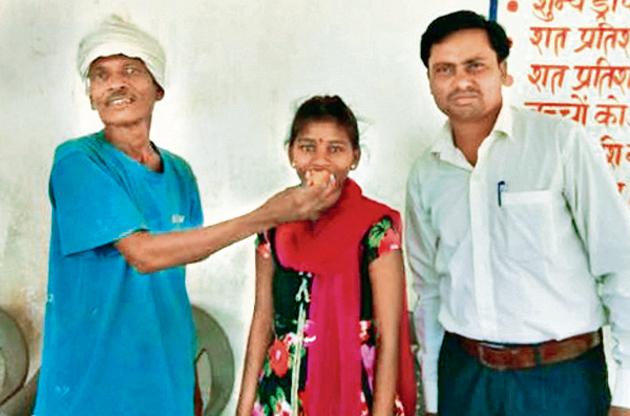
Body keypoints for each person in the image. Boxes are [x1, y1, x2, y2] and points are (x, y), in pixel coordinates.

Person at [34, 16, 340, 416]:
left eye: (131, 70)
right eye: (101, 75)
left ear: (157, 88)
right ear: (91, 95)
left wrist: (188, 373)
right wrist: (266, 215)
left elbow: (176, 271)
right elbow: (144, 255)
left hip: (165, 384)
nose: (116, 84)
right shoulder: (78, 161)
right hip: (91, 387)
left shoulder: (178, 173)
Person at [405, 10, 630, 416]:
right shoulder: (426, 173)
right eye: (445, 69)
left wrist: (626, 394)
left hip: (561, 380)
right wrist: (436, 395)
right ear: (430, 81)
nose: (461, 81)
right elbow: (430, 289)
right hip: (466, 378)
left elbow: (621, 264)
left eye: (475, 66)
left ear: (503, 71)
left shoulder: (560, 145)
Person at [236, 95, 417, 415]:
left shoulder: (377, 227)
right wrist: (244, 405)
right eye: (308, 147)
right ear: (291, 153)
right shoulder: (272, 224)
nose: (320, 160)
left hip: (355, 391)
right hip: (282, 394)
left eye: (335, 149)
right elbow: (263, 318)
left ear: (354, 157)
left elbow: (388, 335)